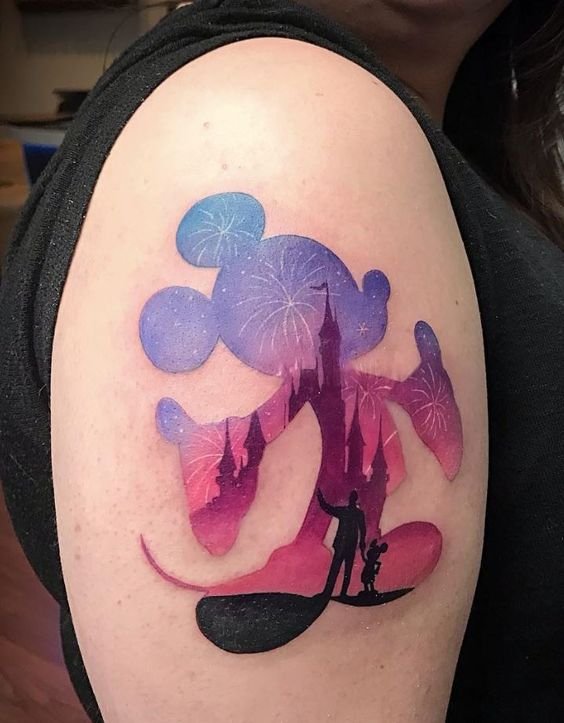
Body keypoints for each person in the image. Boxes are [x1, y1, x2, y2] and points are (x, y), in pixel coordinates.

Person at [0, 1, 563, 722]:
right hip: (338, 501)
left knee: (346, 503)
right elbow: (276, 418)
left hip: (350, 493)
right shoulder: (282, 133)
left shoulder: (430, 136)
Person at [317, 489, 366, 597]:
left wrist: (362, 542)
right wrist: (320, 498)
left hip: (346, 544)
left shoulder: (351, 512)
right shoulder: (352, 512)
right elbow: (327, 508)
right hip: (344, 544)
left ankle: (337, 593)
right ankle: (333, 592)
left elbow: (363, 529)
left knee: (342, 569)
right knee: (340, 569)